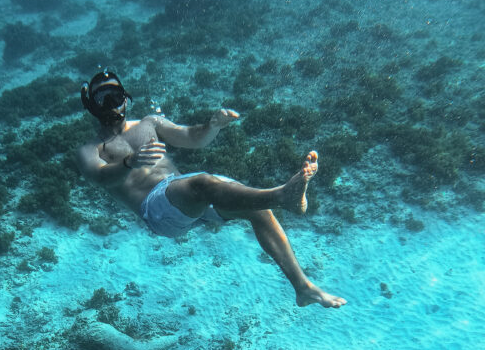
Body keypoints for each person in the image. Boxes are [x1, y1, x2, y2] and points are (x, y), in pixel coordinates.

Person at [76, 69, 346, 309]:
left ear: (126, 97)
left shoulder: (150, 123)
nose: (112, 104)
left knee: (257, 210)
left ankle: (303, 287)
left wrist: (212, 126)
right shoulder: (90, 149)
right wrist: (128, 163)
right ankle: (282, 196)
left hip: (187, 197)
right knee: (202, 183)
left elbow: (193, 137)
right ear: (91, 105)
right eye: (102, 98)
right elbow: (101, 177)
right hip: (156, 210)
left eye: (116, 95)